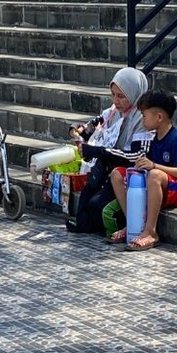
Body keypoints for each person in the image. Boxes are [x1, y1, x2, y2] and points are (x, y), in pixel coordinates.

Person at [65, 67, 153, 234]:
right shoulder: (113, 112)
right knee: (86, 198)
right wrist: (77, 130)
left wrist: (99, 151)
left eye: (121, 96)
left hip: (127, 172)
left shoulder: (142, 118)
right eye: (113, 95)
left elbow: (136, 156)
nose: (116, 100)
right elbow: (91, 126)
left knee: (97, 205)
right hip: (106, 166)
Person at [108, 89, 177, 251]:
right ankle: (134, 224)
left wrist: (154, 166)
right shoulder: (152, 138)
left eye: (144, 115)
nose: (142, 120)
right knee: (118, 174)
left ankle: (150, 232)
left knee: (155, 175)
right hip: (157, 183)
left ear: (159, 117)